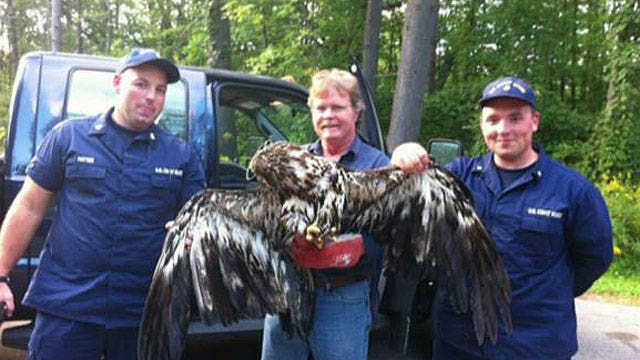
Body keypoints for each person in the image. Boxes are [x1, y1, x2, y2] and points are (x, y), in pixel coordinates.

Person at [0, 48, 205, 359]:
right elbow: (29, 207)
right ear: (117, 83)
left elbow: (197, 222)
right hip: (68, 307)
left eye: (160, 90)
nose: (151, 96)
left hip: (144, 312)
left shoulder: (181, 155)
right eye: (141, 84)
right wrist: (1, 275)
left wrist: (192, 236)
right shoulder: (68, 137)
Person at [391, 76, 614, 359]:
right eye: (493, 119)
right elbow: (405, 204)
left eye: (515, 118)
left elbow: (595, 258)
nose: (503, 129)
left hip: (533, 343)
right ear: (482, 125)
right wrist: (402, 156)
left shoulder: (573, 191)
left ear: (534, 121)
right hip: (459, 341)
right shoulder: (458, 176)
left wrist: (547, 293)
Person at [261, 68, 390, 360]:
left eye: (337, 107)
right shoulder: (294, 161)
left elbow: (384, 239)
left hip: (343, 297)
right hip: (287, 292)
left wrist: (332, 249)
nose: (328, 115)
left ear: (356, 111)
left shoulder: (378, 165)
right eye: (321, 108)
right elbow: (271, 216)